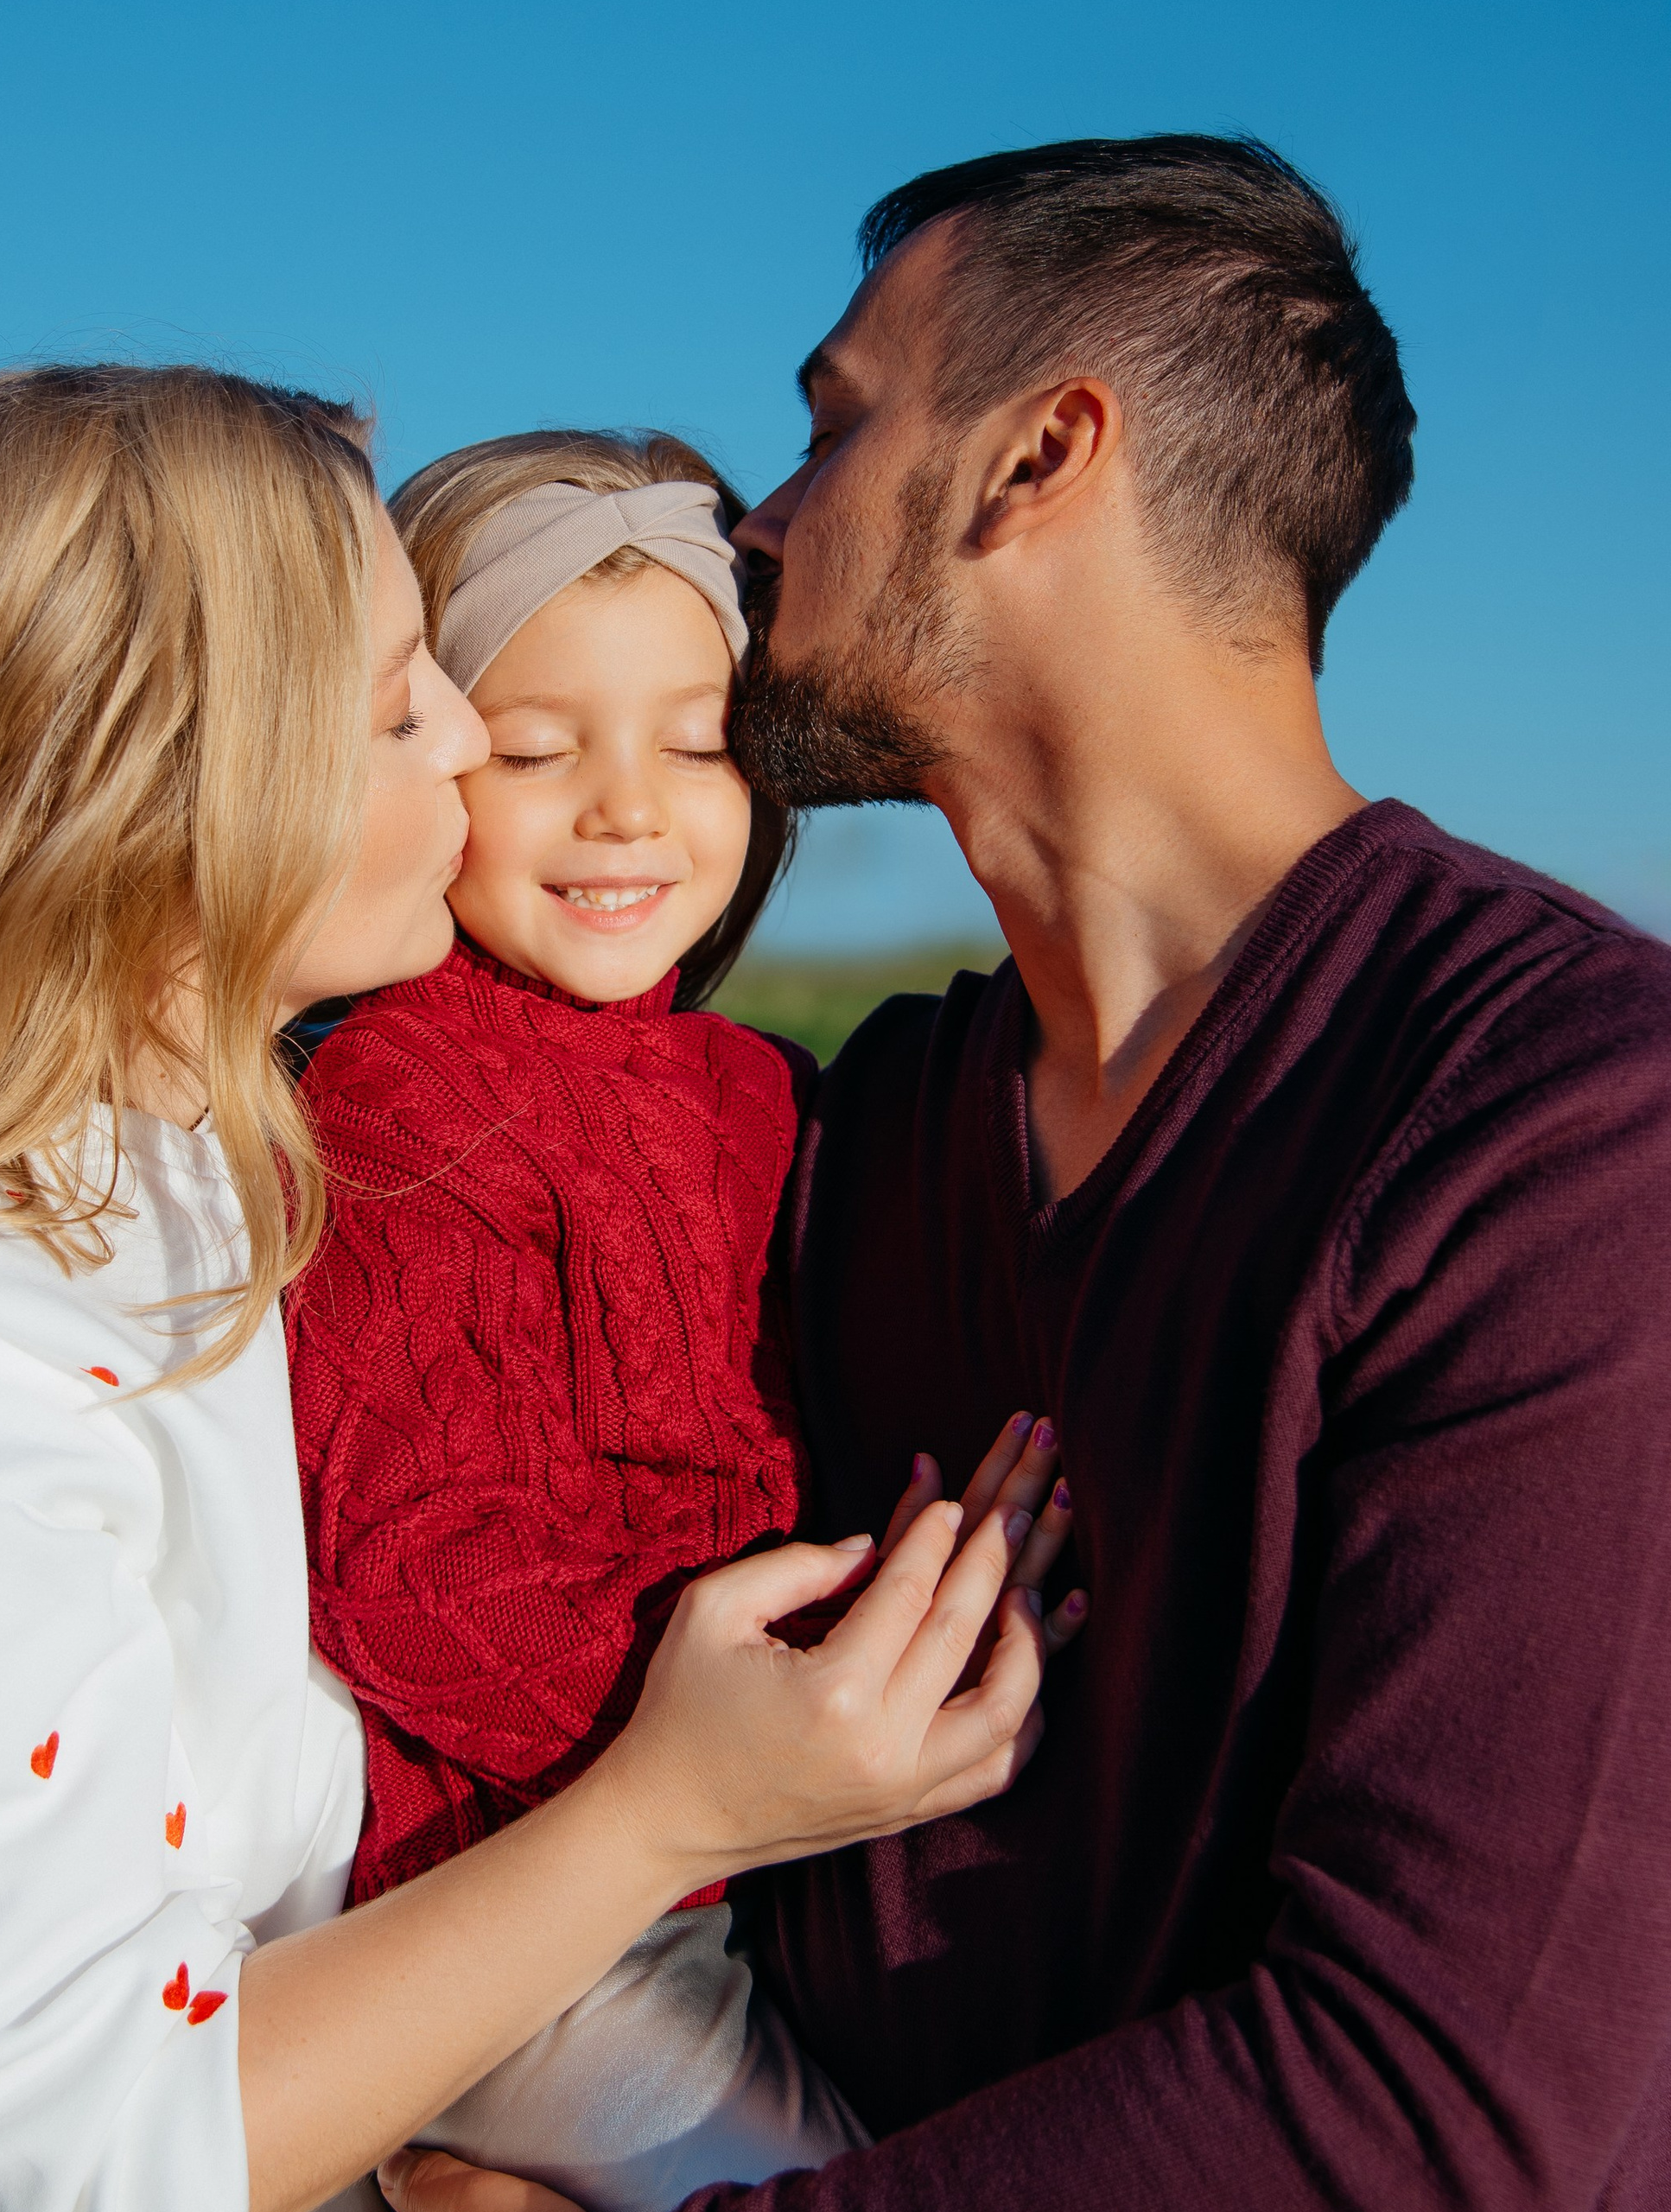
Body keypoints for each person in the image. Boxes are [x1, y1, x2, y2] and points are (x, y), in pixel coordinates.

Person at [0, 365, 1069, 2212]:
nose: (468, 743)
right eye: (400, 703)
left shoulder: (179, 1174)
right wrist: (670, 1810)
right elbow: (65, 2148)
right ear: (148, 789)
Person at [382, 136, 1671, 2212]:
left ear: (1033, 460)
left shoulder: (1565, 1127)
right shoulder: (856, 1131)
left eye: (829, 423)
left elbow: (1436, 2112)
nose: (757, 520)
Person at [289, 429, 1084, 2212]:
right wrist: (785, 1715)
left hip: (749, 1848)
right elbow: (416, 1576)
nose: (625, 810)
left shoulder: (758, 1091)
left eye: (697, 742)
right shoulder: (399, 1102)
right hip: (516, 1901)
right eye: (534, 750)